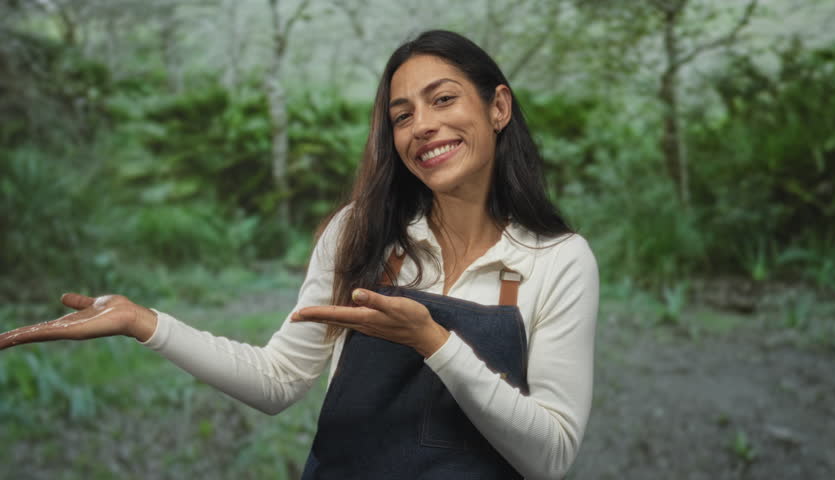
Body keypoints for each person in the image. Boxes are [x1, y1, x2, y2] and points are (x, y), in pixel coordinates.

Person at [0, 30, 598, 479]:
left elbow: (550, 455)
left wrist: (434, 343)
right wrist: (144, 324)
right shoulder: (359, 233)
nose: (423, 126)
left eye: (444, 100)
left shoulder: (558, 261)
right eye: (402, 115)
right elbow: (277, 379)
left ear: (498, 107)